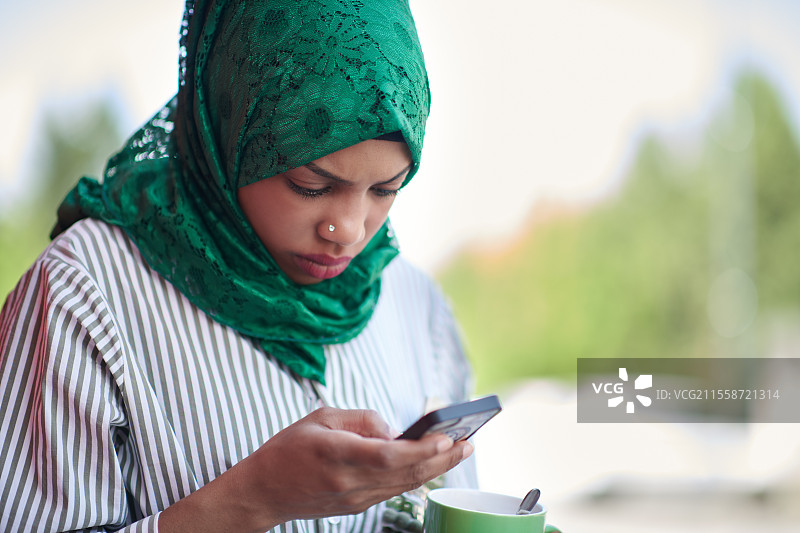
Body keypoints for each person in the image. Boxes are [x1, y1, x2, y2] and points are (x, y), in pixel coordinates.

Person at [0, 1, 476, 532]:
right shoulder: (84, 292)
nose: (348, 230)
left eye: (385, 190)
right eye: (311, 185)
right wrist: (254, 498)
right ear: (230, 125)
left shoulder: (415, 306)